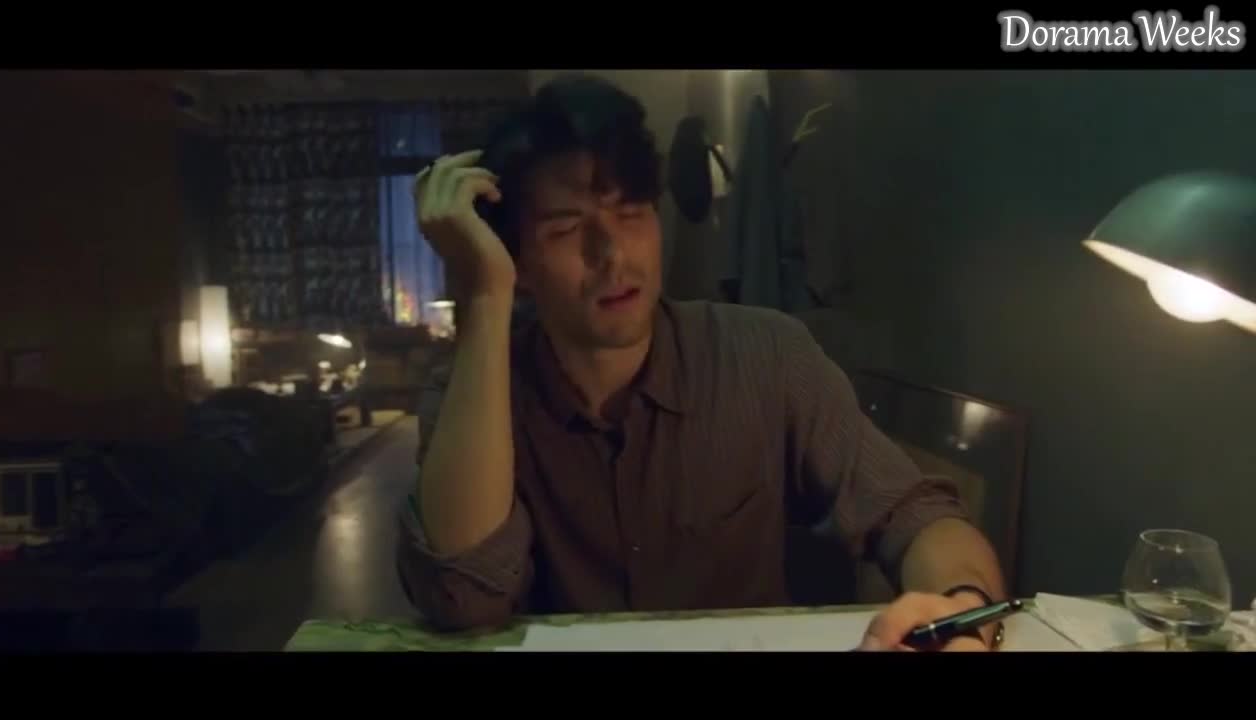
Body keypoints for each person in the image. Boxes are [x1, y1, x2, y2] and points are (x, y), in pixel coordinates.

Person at [396, 74, 1007, 651]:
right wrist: (483, 295)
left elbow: (915, 515)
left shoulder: (765, 356)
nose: (612, 255)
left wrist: (963, 607)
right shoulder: (472, 392)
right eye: (565, 228)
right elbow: (465, 596)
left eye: (631, 213)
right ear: (519, 264)